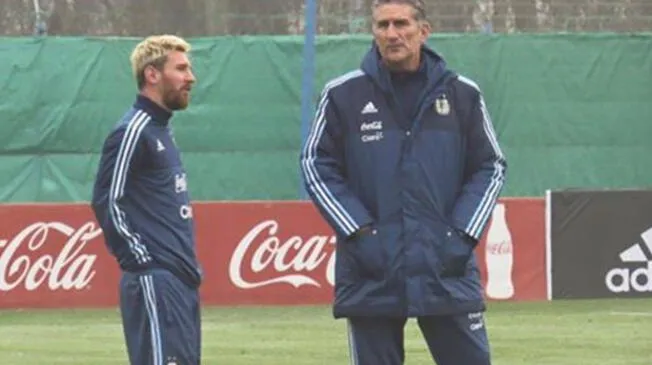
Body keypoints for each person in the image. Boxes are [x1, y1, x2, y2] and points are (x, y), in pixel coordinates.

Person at [300, 1, 507, 364]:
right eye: (382, 25)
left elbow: (490, 167)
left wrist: (461, 236)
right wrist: (361, 233)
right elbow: (316, 166)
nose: (391, 34)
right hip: (372, 268)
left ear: (423, 31)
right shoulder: (342, 95)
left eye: (401, 24)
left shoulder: (462, 94)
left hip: (445, 265)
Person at [91, 35, 202, 365]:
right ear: (152, 74)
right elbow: (107, 199)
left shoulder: (161, 130)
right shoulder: (133, 130)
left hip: (180, 281)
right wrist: (142, 261)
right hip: (157, 279)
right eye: (181, 68)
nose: (190, 77)